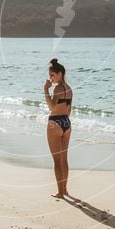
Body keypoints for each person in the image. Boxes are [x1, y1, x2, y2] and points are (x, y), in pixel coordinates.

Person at [44, 57, 72, 199]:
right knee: (64, 159)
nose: (51, 78)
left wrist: (45, 91)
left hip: (54, 123)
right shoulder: (69, 89)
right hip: (66, 123)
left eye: (52, 75)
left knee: (57, 161)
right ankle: (65, 189)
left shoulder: (57, 89)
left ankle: (60, 192)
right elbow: (68, 110)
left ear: (59, 74)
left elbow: (52, 108)